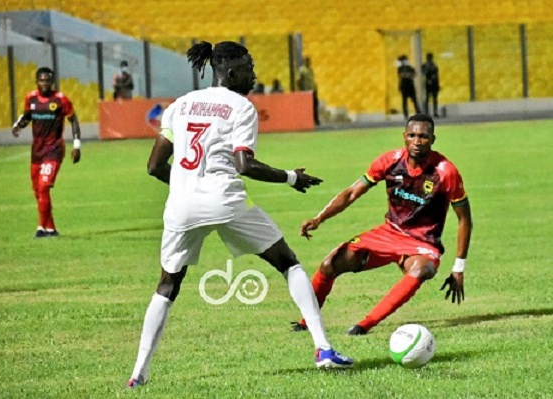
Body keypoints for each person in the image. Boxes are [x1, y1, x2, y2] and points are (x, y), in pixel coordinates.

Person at [126, 41, 353, 389]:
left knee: (167, 285)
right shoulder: (240, 107)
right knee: (288, 263)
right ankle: (323, 349)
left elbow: (154, 166)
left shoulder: (180, 105)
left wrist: (188, 184)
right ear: (231, 72)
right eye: (249, 68)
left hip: (181, 206)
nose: (254, 74)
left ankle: (137, 375)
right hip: (223, 200)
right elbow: (243, 164)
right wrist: (292, 177)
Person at [291, 113, 472, 335]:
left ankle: (364, 325)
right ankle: (305, 322)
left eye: (423, 136)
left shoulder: (446, 172)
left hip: (422, 242)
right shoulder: (390, 161)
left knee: (422, 269)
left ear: (433, 139)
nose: (417, 141)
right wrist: (319, 218)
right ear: (404, 136)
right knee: (330, 263)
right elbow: (351, 193)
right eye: (412, 135)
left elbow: (465, 219)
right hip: (388, 233)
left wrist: (458, 268)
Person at [12, 66, 81, 238]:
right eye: (41, 80)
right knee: (38, 191)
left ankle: (40, 228)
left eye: (48, 80)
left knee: (43, 187)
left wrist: (77, 145)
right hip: (37, 151)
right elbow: (27, 115)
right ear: (36, 81)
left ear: (52, 82)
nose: (45, 83)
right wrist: (18, 126)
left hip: (54, 150)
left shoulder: (60, 99)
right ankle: (51, 229)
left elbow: (73, 120)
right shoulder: (31, 98)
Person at [298, 56, 320, 126]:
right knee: (307, 107)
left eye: (309, 61)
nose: (309, 63)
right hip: (306, 91)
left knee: (315, 106)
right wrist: (300, 90)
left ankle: (316, 120)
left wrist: (315, 88)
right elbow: (298, 80)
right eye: (307, 61)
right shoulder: (301, 70)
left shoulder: (311, 69)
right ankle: (307, 121)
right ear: (305, 62)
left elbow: (312, 80)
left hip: (313, 90)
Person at [421, 53, 440, 117]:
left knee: (435, 98)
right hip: (428, 83)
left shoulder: (434, 65)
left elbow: (436, 75)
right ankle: (427, 112)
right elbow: (424, 72)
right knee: (427, 98)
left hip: (434, 83)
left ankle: (435, 112)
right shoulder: (425, 65)